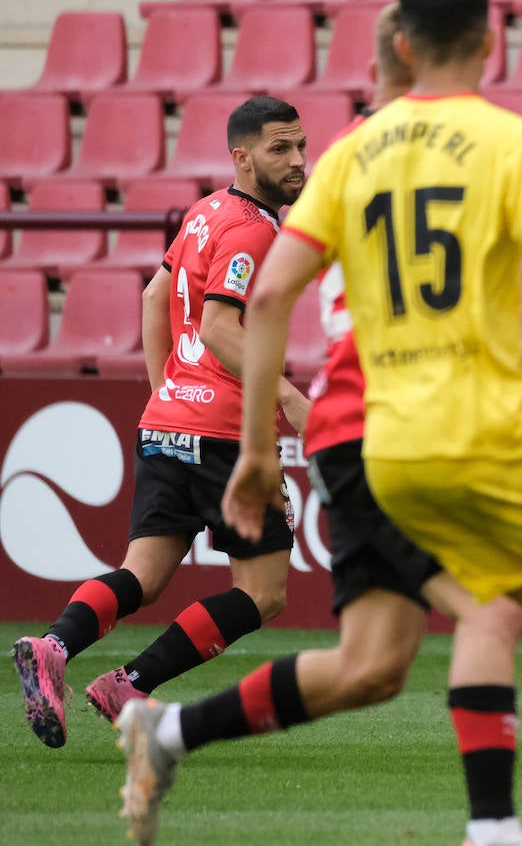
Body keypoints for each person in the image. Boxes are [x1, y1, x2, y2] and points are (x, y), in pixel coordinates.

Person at [115, 0, 522, 846]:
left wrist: (262, 449)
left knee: (372, 667)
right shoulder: (499, 140)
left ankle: (169, 729)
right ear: (488, 41)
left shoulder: (349, 159)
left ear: (398, 50)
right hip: (450, 427)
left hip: (364, 441)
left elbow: (266, 304)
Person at [10, 96, 311, 750]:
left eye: (299, 146)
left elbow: (153, 299)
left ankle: (55, 644)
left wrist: (166, 393)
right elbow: (219, 328)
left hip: (167, 422)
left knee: (142, 576)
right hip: (225, 432)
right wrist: (288, 399)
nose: (297, 161)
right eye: (280, 149)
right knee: (263, 594)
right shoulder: (257, 229)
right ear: (242, 156)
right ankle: (128, 683)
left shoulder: (203, 213)